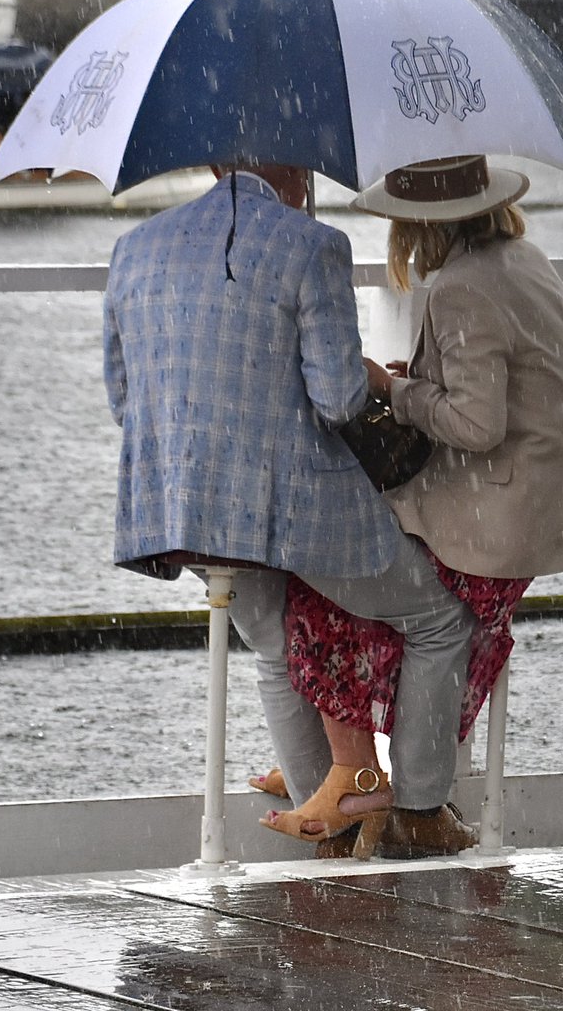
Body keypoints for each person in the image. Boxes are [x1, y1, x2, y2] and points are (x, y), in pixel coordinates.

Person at [103, 162, 483, 859]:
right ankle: (420, 809)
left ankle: (333, 816)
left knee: (277, 648)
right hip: (290, 507)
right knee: (437, 619)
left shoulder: (136, 246)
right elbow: (338, 398)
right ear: (294, 165)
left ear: (216, 163)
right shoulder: (310, 245)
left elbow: (123, 397)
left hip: (178, 509)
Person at [259, 155, 563, 856]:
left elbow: (478, 427)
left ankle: (372, 788)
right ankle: (364, 778)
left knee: (323, 588)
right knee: (366, 583)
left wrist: (392, 389)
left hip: (487, 523)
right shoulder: (524, 261)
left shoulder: (463, 289)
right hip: (538, 509)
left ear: (419, 224)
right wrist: (427, 381)